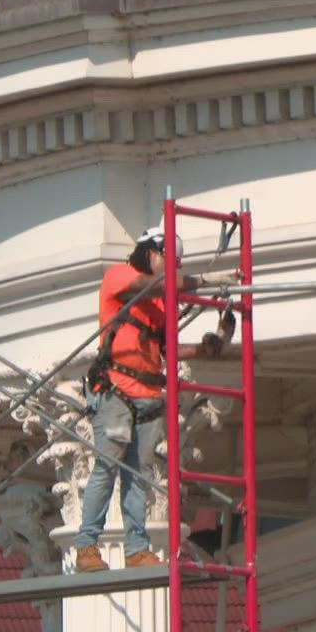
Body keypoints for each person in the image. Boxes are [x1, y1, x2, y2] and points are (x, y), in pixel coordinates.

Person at [73, 227, 235, 573]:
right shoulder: (120, 277)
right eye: (169, 259)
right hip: (116, 389)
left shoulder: (160, 304)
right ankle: (87, 546)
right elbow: (157, 286)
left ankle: (137, 547)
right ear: (150, 253)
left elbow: (163, 350)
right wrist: (204, 281)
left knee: (139, 473)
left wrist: (207, 348)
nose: (172, 267)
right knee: (107, 465)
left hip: (147, 395)